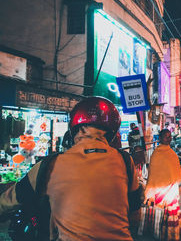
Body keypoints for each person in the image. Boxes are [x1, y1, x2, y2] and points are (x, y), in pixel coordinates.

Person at [0, 96, 142, 241]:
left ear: (75, 127)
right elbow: (135, 214)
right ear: (112, 130)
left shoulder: (51, 164)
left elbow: (8, 201)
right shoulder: (125, 161)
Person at [145, 129, 181, 239]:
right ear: (160, 138)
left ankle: (176, 231)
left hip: (171, 187)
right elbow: (153, 172)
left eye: (169, 136)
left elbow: (174, 170)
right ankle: (164, 234)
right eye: (166, 136)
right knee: (164, 212)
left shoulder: (171, 152)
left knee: (173, 211)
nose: (168, 138)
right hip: (159, 189)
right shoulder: (156, 153)